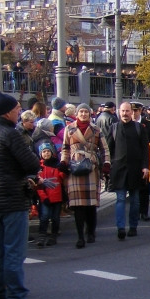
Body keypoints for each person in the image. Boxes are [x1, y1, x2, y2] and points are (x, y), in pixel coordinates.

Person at [0, 92, 47, 299]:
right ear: (7, 112)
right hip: (12, 199)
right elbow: (31, 163)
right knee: (14, 253)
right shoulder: (10, 134)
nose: (20, 111)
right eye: (17, 108)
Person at [60, 103, 110, 249]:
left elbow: (104, 148)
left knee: (90, 204)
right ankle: (80, 236)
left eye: (86, 112)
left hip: (90, 168)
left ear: (90, 114)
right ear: (77, 113)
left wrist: (106, 163)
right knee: (77, 205)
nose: (83, 114)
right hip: (75, 169)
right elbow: (65, 148)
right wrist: (64, 162)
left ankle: (91, 232)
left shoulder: (95, 129)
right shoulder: (69, 129)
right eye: (81, 112)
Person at [107, 102, 150, 240]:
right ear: (119, 112)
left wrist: (145, 166)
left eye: (127, 111)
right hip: (119, 170)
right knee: (120, 199)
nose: (125, 113)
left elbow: (145, 149)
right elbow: (109, 150)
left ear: (132, 112)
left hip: (136, 170)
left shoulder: (139, 128)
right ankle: (120, 228)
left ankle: (133, 226)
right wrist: (110, 165)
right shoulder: (113, 128)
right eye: (122, 111)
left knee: (135, 200)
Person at [35, 141, 65, 248]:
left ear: (52, 152)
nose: (46, 153)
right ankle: (42, 235)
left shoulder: (57, 165)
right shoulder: (39, 168)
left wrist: (64, 170)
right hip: (45, 198)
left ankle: (53, 235)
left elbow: (61, 179)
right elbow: (38, 185)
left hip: (57, 196)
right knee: (44, 217)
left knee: (55, 218)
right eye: (44, 152)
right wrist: (43, 197)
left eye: (48, 151)